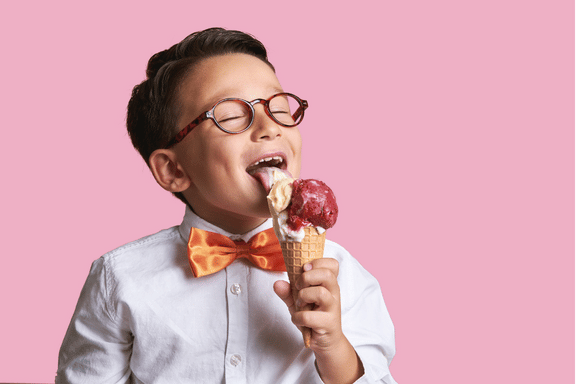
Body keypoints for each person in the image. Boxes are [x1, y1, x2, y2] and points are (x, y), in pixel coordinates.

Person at [56, 27, 397, 384]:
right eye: (232, 116)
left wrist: (333, 346)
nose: (269, 127)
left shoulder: (341, 275)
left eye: (279, 108)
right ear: (173, 169)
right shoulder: (120, 279)